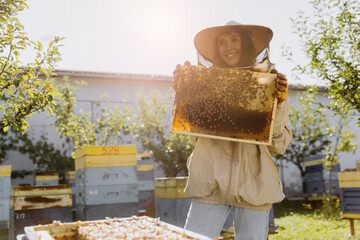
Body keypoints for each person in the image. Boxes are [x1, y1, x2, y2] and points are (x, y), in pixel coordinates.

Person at [172, 21, 292, 240]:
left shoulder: (269, 82)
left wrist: (278, 104)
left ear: (246, 44)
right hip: (210, 182)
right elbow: (195, 140)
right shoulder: (203, 86)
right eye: (221, 42)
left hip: (253, 186)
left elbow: (277, 145)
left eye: (235, 39)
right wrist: (185, 96)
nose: (228, 46)